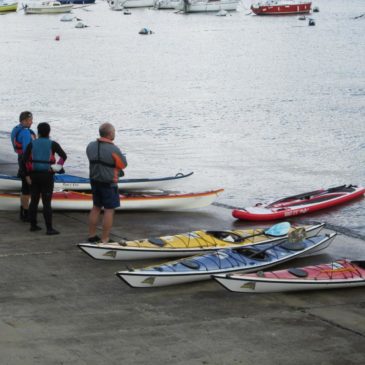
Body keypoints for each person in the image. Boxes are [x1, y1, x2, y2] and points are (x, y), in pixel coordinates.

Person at [21, 122, 67, 235]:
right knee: (47, 203)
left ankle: (33, 225)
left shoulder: (32, 144)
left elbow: (23, 161)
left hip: (33, 176)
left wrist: (26, 176)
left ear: (38, 132)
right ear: (49, 132)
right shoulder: (53, 144)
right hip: (47, 175)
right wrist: (57, 167)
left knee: (34, 201)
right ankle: (49, 229)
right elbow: (64, 156)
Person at [86, 123, 127, 243]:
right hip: (109, 183)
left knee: (96, 207)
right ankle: (105, 239)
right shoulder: (113, 149)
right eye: (113, 131)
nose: (114, 133)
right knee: (109, 210)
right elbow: (123, 164)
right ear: (109, 134)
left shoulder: (90, 146)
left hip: (94, 181)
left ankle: (91, 235)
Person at [10, 111, 36, 222]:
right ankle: (25, 213)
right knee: (27, 188)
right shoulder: (25, 133)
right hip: (26, 161)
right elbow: (27, 150)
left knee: (24, 187)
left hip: (20, 159)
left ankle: (24, 211)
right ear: (24, 121)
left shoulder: (16, 129)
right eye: (30, 120)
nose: (32, 122)